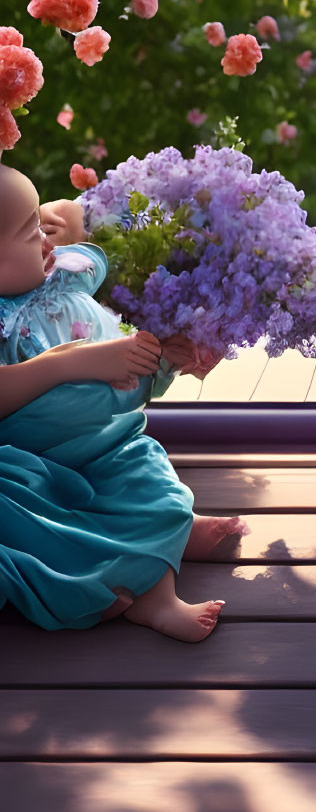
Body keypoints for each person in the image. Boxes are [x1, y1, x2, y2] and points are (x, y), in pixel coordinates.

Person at [0, 162, 235, 640]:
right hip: (34, 463)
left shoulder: (59, 273)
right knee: (36, 522)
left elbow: (68, 214)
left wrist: (160, 355)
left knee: (153, 480)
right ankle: (152, 600)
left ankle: (171, 542)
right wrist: (73, 363)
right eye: (30, 235)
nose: (46, 242)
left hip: (108, 439)